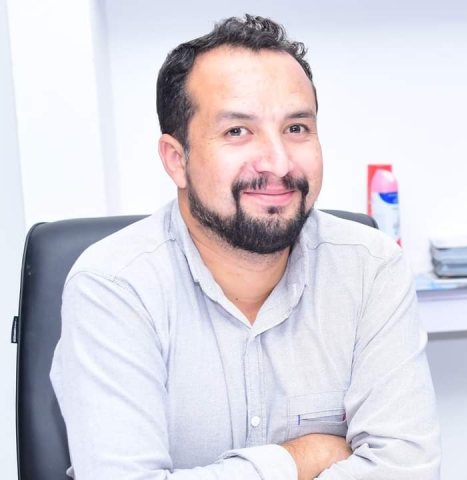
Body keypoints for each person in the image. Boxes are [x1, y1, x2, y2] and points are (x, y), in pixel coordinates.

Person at [50, 14, 441, 480]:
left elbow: (408, 470)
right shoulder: (114, 285)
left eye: (296, 128)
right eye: (237, 131)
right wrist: (300, 458)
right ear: (176, 160)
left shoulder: (371, 268)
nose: (278, 162)